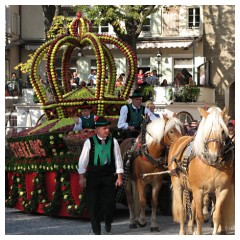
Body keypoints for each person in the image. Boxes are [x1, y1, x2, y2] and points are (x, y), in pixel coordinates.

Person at [78, 116, 124, 235]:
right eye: (105, 128)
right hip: (93, 176)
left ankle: (108, 220)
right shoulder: (89, 142)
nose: (107, 130)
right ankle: (96, 230)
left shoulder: (113, 141)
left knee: (109, 203)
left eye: (108, 128)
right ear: (97, 130)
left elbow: (118, 159)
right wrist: (82, 177)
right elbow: (83, 160)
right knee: (93, 203)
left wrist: (119, 177)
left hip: (108, 175)